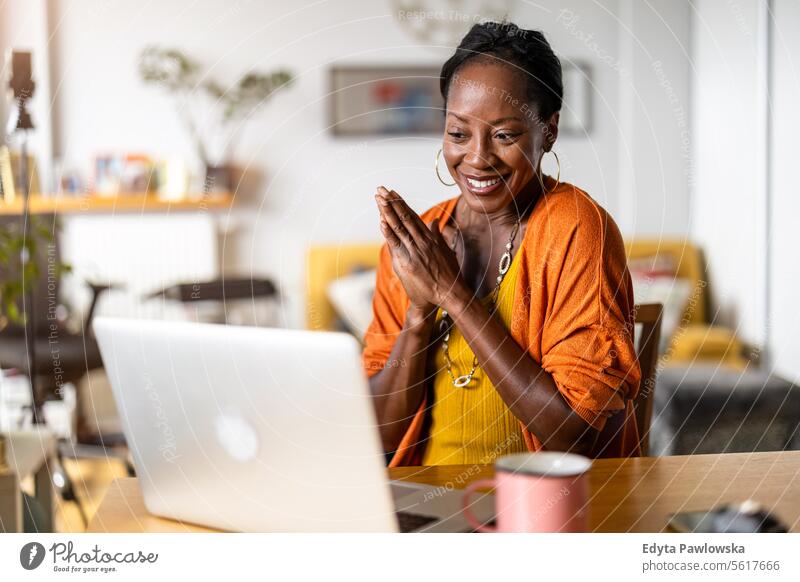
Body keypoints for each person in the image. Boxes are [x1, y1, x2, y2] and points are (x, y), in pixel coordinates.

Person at [363, 21, 641, 467]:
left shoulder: (576, 229)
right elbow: (378, 435)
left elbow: (575, 435)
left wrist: (453, 295)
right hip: (424, 508)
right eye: (458, 133)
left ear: (548, 131)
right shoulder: (420, 240)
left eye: (505, 135)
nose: (476, 157)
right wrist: (419, 312)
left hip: (543, 513)